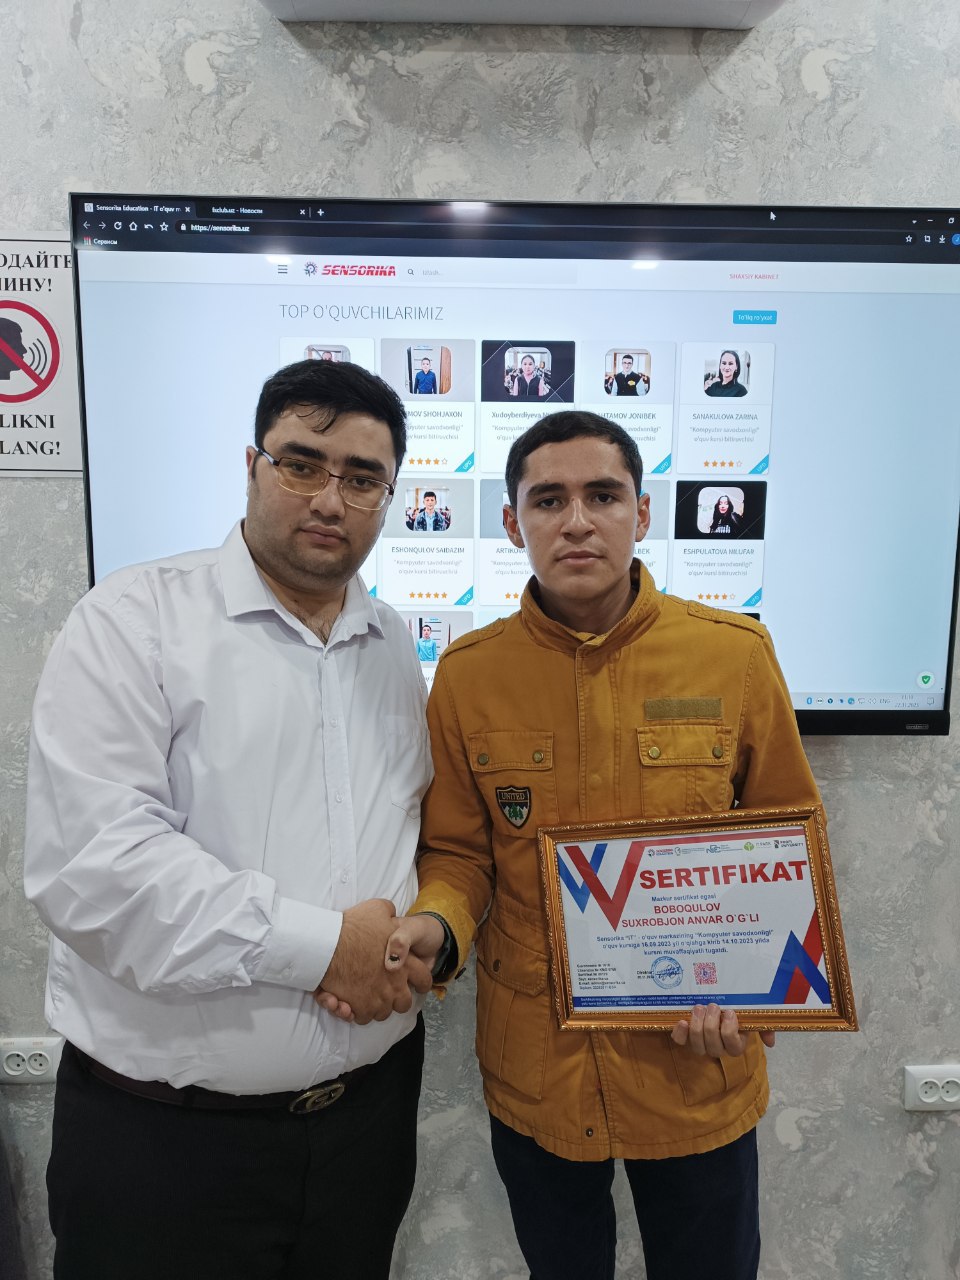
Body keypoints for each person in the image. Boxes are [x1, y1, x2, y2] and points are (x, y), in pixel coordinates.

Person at [381, 410, 821, 1280]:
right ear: (513, 524)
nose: (576, 521)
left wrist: (756, 996)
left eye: (603, 496)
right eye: (548, 500)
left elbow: (787, 844)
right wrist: (436, 922)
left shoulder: (733, 655)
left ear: (642, 513)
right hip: (538, 1064)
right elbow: (460, 854)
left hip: (696, 1058)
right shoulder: (468, 674)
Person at [23, 359, 436, 1280]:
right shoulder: (133, 621)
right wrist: (327, 949)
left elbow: (407, 833)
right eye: (302, 463)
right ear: (252, 466)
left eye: (362, 478)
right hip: (164, 1148)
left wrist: (420, 931)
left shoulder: (393, 645)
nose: (329, 498)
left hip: (366, 1132)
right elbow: (97, 871)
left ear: (388, 498)